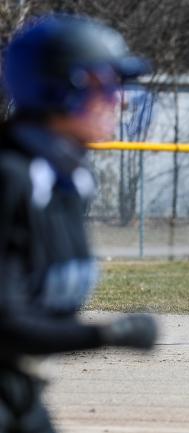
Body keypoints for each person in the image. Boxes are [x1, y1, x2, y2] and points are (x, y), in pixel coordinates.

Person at [0, 14, 158, 433]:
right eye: (105, 84)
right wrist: (110, 333)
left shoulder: (66, 176)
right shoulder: (11, 176)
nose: (119, 99)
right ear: (59, 89)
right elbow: (6, 321)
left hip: (19, 390)